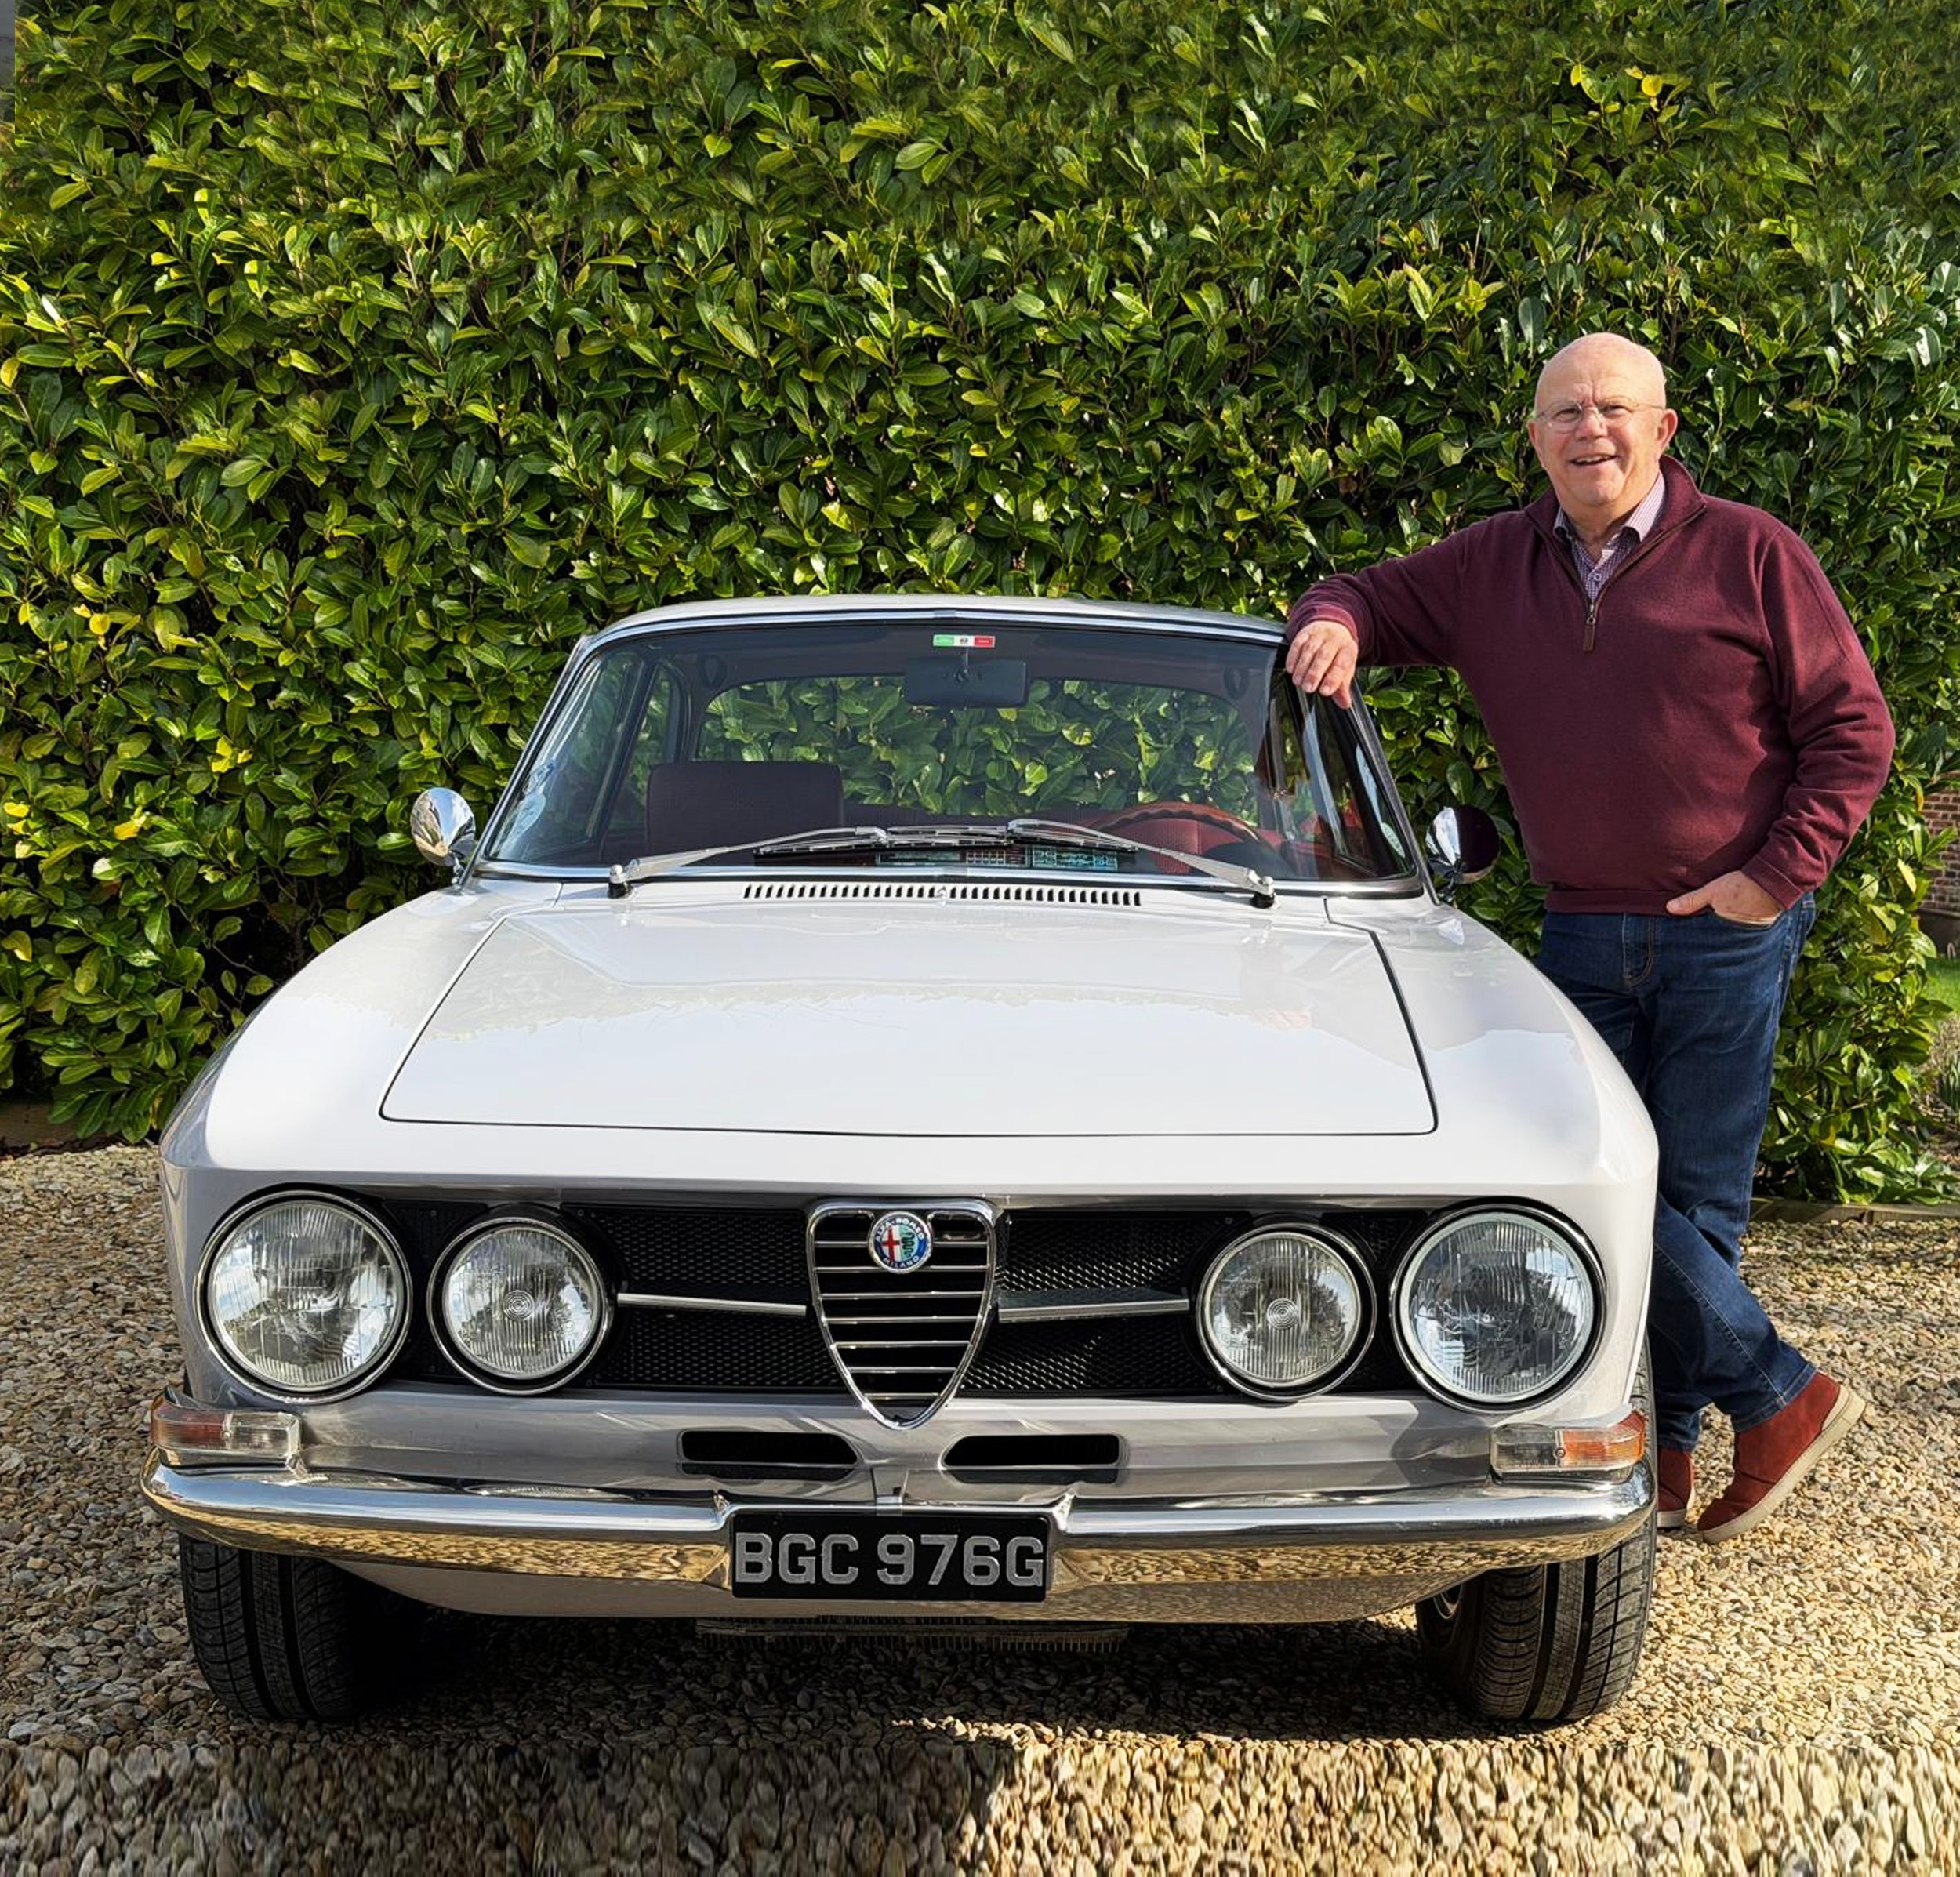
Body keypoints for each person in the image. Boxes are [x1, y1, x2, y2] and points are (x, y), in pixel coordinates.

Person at [1286, 332, 1894, 1541]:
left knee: (1695, 1198)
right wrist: (1335, 620)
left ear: (1663, 430)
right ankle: (1773, 1396)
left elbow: (1855, 732)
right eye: (1565, 411)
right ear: (1535, 439)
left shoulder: (1754, 553)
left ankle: (1671, 1448)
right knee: (1587, 1172)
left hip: (1727, 930)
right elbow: (1363, 593)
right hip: (1581, 925)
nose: (1591, 428)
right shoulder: (1492, 564)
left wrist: (1771, 880)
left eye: (1615, 407)